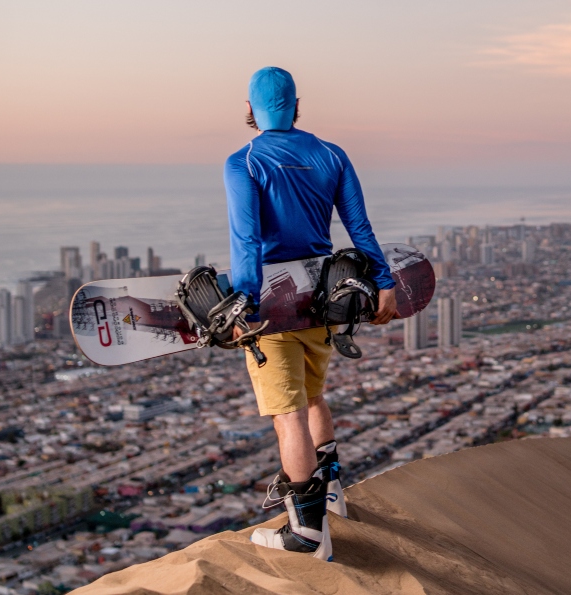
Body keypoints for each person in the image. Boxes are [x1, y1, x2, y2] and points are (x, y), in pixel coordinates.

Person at [224, 66, 398, 560]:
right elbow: (359, 226)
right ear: (296, 105)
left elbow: (247, 241)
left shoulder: (244, 161)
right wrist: (383, 282)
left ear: (251, 109)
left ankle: (305, 533)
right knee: (315, 395)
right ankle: (332, 493)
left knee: (288, 415)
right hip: (322, 298)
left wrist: (244, 302)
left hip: (272, 308)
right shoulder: (331, 155)